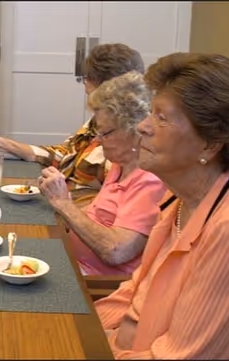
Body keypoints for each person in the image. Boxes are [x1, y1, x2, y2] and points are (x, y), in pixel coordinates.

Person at [95, 53, 229, 359]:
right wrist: (75, 327)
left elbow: (180, 355)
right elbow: (134, 295)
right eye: (150, 113)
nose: (143, 127)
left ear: (211, 143)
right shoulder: (177, 199)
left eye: (161, 117)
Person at [0, 44, 145, 203]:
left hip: (72, 219)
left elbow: (109, 211)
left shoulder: (124, 140)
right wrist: (1, 142)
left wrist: (63, 202)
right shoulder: (99, 121)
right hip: (62, 207)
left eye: (87, 78)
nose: (85, 85)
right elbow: (61, 155)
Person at [38, 71, 166, 275]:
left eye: (105, 133)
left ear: (134, 130)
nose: (97, 140)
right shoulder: (121, 164)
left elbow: (116, 251)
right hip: (74, 263)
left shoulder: (150, 179)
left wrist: (63, 205)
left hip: (97, 284)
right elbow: (99, 215)